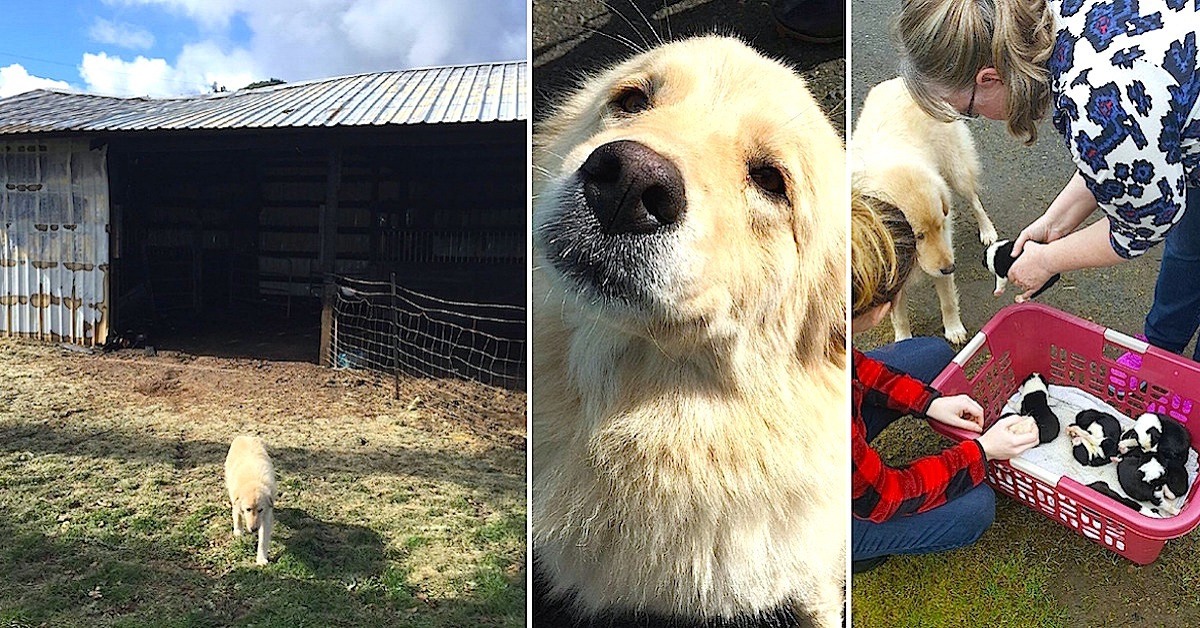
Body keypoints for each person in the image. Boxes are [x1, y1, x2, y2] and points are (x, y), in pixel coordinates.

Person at [895, 0, 1200, 359]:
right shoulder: (1050, 17)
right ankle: (1159, 349)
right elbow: (1129, 157)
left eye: (969, 111)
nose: (979, 117)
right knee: (1189, 247)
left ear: (989, 79)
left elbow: (1145, 223)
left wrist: (1047, 261)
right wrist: (1055, 222)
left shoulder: (1094, 104)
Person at [850, 194, 1038, 573]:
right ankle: (850, 553)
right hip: (803, 517)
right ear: (883, 309)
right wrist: (981, 452)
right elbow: (884, 497)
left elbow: (858, 369)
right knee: (974, 509)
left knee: (933, 354)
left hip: (834, 449)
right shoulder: (817, 405)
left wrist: (928, 403)